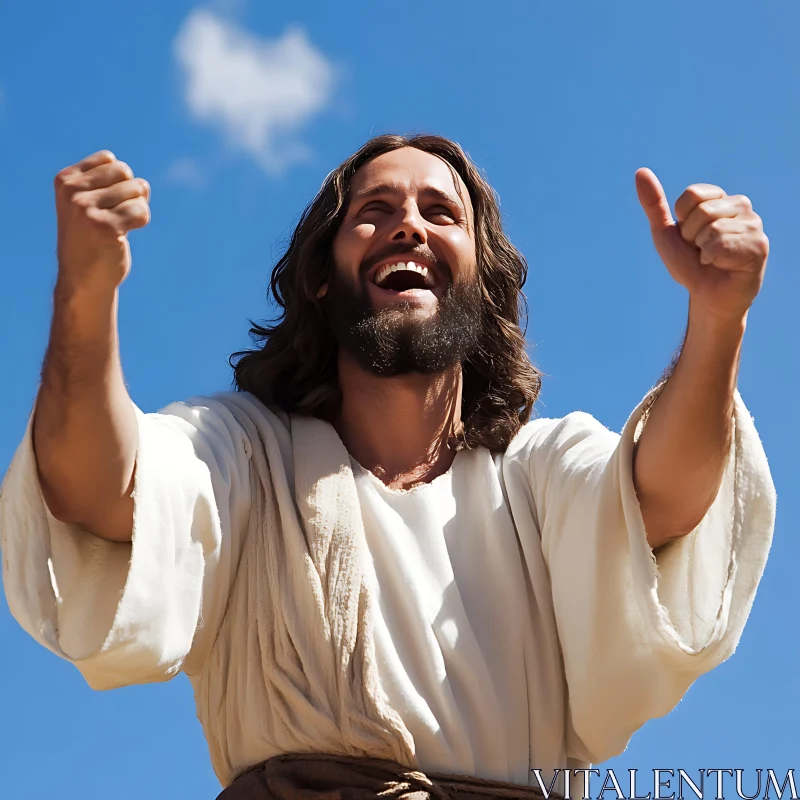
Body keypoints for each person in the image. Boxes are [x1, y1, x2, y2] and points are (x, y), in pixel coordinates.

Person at [0, 134, 776, 799]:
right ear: (319, 274)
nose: (408, 227)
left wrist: (717, 318)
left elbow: (665, 505)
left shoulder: (535, 471)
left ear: (482, 278)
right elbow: (91, 491)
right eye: (374, 211)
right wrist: (84, 296)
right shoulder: (244, 452)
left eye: (441, 214)